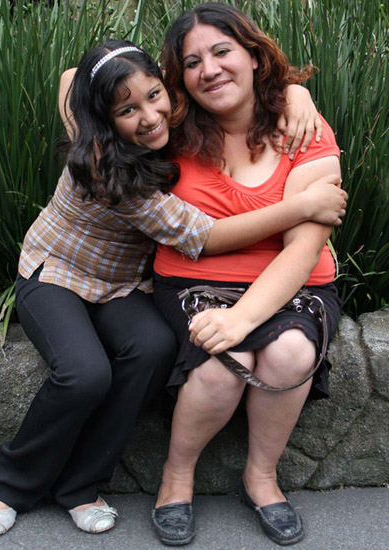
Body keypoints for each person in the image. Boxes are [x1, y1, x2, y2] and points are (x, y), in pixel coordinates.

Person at [0, 37, 346, 539]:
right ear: (103, 116)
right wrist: (300, 207)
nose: (148, 116)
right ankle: (9, 484)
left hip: (122, 283)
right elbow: (205, 237)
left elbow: (72, 77)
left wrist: (298, 94)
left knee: (153, 349)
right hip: (56, 274)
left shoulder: (155, 117)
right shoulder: (107, 160)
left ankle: (80, 485)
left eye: (153, 96)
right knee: (84, 373)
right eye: (127, 109)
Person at [151, 3, 345, 547]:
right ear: (179, 76)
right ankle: (176, 476)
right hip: (193, 280)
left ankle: (261, 478)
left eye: (222, 52)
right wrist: (295, 87)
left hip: (294, 281)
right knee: (222, 365)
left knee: (291, 352)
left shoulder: (302, 128)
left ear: (254, 56)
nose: (209, 70)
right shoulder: (171, 128)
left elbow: (304, 247)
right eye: (192, 62)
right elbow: (79, 81)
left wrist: (241, 318)